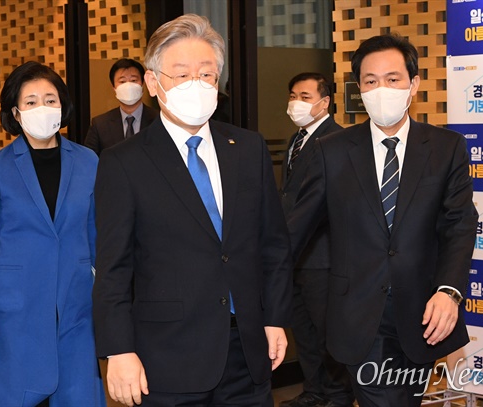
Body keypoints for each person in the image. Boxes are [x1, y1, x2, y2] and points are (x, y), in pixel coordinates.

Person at [92, 14, 293, 407]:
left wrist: (274, 317)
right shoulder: (123, 162)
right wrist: (118, 350)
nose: (196, 85)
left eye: (207, 75)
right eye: (182, 75)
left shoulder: (248, 149)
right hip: (166, 358)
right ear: (153, 82)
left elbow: (273, 245)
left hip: (247, 351)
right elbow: (113, 266)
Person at [287, 34, 478, 406]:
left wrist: (449, 291)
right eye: (371, 81)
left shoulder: (445, 147)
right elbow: (296, 231)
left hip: (423, 315)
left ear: (414, 84)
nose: (381, 89)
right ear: (360, 89)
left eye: (392, 79)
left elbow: (459, 225)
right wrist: (264, 301)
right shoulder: (332, 151)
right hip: (357, 316)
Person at [0, 61, 106, 407]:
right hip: (14, 311)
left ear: (62, 106)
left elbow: (99, 235)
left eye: (50, 99)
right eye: (31, 101)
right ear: (16, 112)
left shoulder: (89, 162)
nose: (42, 108)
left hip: (76, 306)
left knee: (76, 394)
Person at [279, 73, 354, 407]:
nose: (296, 102)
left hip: (323, 256)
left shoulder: (338, 140)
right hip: (295, 256)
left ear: (325, 102)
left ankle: (338, 395)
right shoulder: (296, 140)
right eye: (293, 95)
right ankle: (314, 391)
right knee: (304, 332)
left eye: (305, 96)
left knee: (327, 334)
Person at [84, 58, 159, 155]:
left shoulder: (159, 119)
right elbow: (89, 161)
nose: (128, 85)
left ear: (143, 84)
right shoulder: (100, 125)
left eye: (133, 80)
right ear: (114, 88)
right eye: (122, 81)